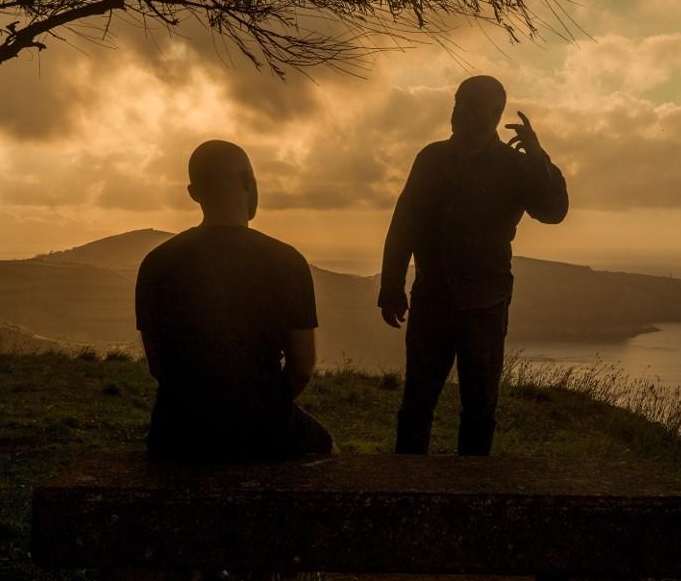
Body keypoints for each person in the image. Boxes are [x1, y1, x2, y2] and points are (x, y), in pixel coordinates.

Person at [378, 75, 568, 456]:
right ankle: (406, 488)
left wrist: (539, 157)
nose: (459, 110)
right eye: (457, 101)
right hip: (433, 295)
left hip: (485, 302)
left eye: (471, 103)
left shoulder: (515, 166)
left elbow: (553, 212)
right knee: (416, 404)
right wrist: (391, 285)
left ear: (496, 113)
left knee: (480, 409)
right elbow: (404, 223)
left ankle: (473, 493)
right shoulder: (430, 158)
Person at [136, 140, 335, 461]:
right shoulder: (286, 261)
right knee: (327, 450)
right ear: (249, 181)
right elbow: (302, 368)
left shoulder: (156, 263)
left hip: (176, 431)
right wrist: (261, 407)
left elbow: (158, 365)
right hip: (263, 426)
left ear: (194, 192)